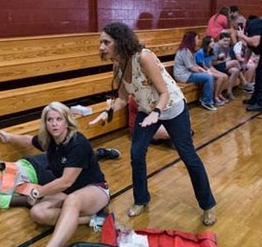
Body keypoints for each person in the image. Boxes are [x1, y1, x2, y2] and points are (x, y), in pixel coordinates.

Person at [90, 22, 216, 225]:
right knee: (136, 154)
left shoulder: (143, 57)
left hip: (172, 108)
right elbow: (122, 98)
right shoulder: (117, 65)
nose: (101, 47)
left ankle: (208, 205)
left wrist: (157, 113)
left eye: (106, 42)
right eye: (101, 42)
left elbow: (164, 93)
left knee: (189, 157)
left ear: (120, 42)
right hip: (147, 111)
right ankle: (141, 200)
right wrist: (108, 112)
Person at [0, 102, 110, 247]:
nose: (54, 123)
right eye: (50, 120)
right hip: (68, 192)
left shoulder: (78, 142)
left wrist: (38, 192)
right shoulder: (49, 140)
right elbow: (29, 140)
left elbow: (66, 181)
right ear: (45, 123)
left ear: (67, 121)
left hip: (96, 189)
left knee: (72, 200)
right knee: (38, 213)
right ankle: (91, 219)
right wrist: (9, 137)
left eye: (59, 119)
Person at [0, 148, 120, 209]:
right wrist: (40, 196)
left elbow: (0, 166)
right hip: (38, 176)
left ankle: (98, 153)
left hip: (29, 161)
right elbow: (18, 201)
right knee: (70, 173)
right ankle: (97, 192)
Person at [174, 31, 217, 110]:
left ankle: (205, 98)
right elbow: (191, 67)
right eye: (197, 39)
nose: (198, 41)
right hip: (183, 75)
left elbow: (195, 65)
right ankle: (207, 101)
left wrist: (204, 71)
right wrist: (205, 72)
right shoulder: (185, 51)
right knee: (209, 77)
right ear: (192, 40)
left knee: (208, 76)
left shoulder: (190, 50)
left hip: (188, 73)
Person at [212, 32, 253, 99]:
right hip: (216, 66)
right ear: (219, 40)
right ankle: (244, 82)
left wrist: (226, 60)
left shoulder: (227, 47)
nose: (227, 43)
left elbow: (229, 57)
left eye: (228, 41)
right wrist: (225, 60)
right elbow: (213, 62)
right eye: (224, 40)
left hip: (224, 64)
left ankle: (229, 91)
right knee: (235, 62)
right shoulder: (216, 47)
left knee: (235, 70)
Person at [194, 35, 229, 105]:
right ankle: (215, 97)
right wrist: (217, 74)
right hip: (201, 70)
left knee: (225, 76)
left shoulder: (210, 51)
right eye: (212, 41)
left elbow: (210, 66)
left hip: (208, 69)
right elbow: (203, 67)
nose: (213, 43)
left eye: (213, 41)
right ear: (207, 43)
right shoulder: (200, 52)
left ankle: (219, 94)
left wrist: (217, 72)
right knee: (220, 77)